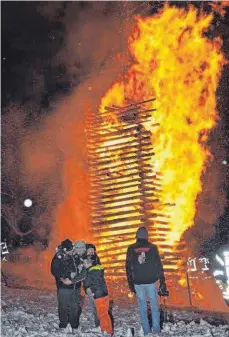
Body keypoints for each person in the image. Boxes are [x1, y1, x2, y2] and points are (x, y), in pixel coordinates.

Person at [126, 227, 168, 335]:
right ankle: (156, 330)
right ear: (147, 236)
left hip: (138, 282)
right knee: (154, 306)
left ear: (137, 237)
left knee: (142, 308)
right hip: (151, 281)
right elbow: (158, 265)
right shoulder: (153, 247)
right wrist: (162, 281)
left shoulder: (131, 248)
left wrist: (131, 284)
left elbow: (128, 267)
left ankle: (146, 331)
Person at [51, 239, 82, 333]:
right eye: (69, 249)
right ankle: (63, 325)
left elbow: (79, 266)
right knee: (63, 306)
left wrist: (80, 268)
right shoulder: (58, 257)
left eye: (72, 249)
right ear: (64, 249)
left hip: (75, 287)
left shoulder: (74, 255)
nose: (71, 251)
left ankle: (74, 325)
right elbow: (54, 271)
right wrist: (68, 275)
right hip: (63, 287)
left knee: (75, 307)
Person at [83, 256, 113, 336]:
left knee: (102, 314)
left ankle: (107, 331)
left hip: (98, 296)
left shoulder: (89, 272)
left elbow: (87, 284)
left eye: (84, 263)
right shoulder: (98, 270)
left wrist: (89, 292)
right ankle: (105, 329)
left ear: (90, 263)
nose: (83, 264)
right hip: (104, 294)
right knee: (104, 313)